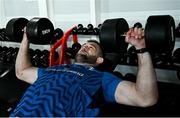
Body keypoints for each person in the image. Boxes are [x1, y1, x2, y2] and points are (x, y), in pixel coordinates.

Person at [10, 27, 158, 117]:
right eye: (85, 44)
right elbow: (21, 72)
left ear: (99, 60)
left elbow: (145, 98)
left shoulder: (100, 78)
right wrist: (26, 39)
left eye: (91, 47)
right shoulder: (53, 69)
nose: (85, 46)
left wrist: (141, 48)